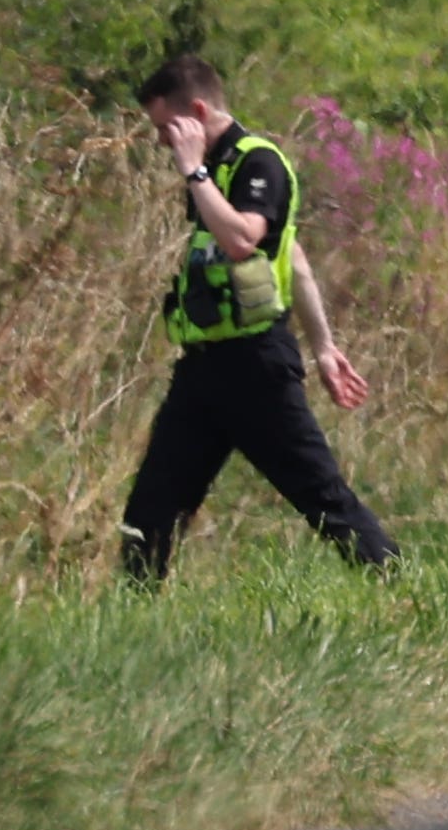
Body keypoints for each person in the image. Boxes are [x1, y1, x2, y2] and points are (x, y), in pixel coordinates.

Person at [120, 55, 400, 582]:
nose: (161, 141)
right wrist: (323, 345)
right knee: (150, 511)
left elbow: (245, 239)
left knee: (322, 498)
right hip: (203, 368)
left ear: (197, 111)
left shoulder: (257, 163)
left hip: (255, 367)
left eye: (166, 128)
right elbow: (293, 261)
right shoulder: (213, 167)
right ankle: (128, 621)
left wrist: (194, 171)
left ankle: (403, 588)